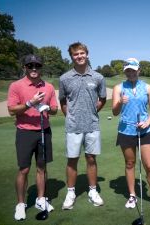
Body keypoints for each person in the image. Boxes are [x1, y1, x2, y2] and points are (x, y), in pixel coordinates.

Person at [7, 54, 58, 221]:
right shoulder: (16, 86)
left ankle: (41, 199)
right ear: (25, 68)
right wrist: (30, 103)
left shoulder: (49, 87)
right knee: (24, 169)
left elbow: (55, 109)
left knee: (42, 167)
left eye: (37, 65)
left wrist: (47, 108)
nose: (34, 68)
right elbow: (12, 109)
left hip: (44, 130)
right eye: (30, 66)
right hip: (25, 132)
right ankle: (21, 204)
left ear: (41, 67)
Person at [112, 58, 150, 211]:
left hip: (144, 130)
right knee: (130, 164)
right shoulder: (118, 88)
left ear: (139, 71)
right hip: (126, 131)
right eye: (128, 70)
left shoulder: (148, 87)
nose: (131, 73)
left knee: (149, 165)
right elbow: (115, 113)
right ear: (125, 72)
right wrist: (120, 102)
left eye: (133, 70)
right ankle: (132, 195)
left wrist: (147, 122)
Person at [59, 42, 107, 210]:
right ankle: (71, 192)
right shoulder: (64, 78)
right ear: (71, 57)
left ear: (87, 54)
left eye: (81, 53)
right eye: (75, 54)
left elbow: (102, 99)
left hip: (92, 125)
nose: (79, 56)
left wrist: (93, 112)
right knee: (72, 160)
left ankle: (93, 191)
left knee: (91, 159)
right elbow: (63, 101)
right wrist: (71, 116)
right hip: (73, 126)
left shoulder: (98, 77)